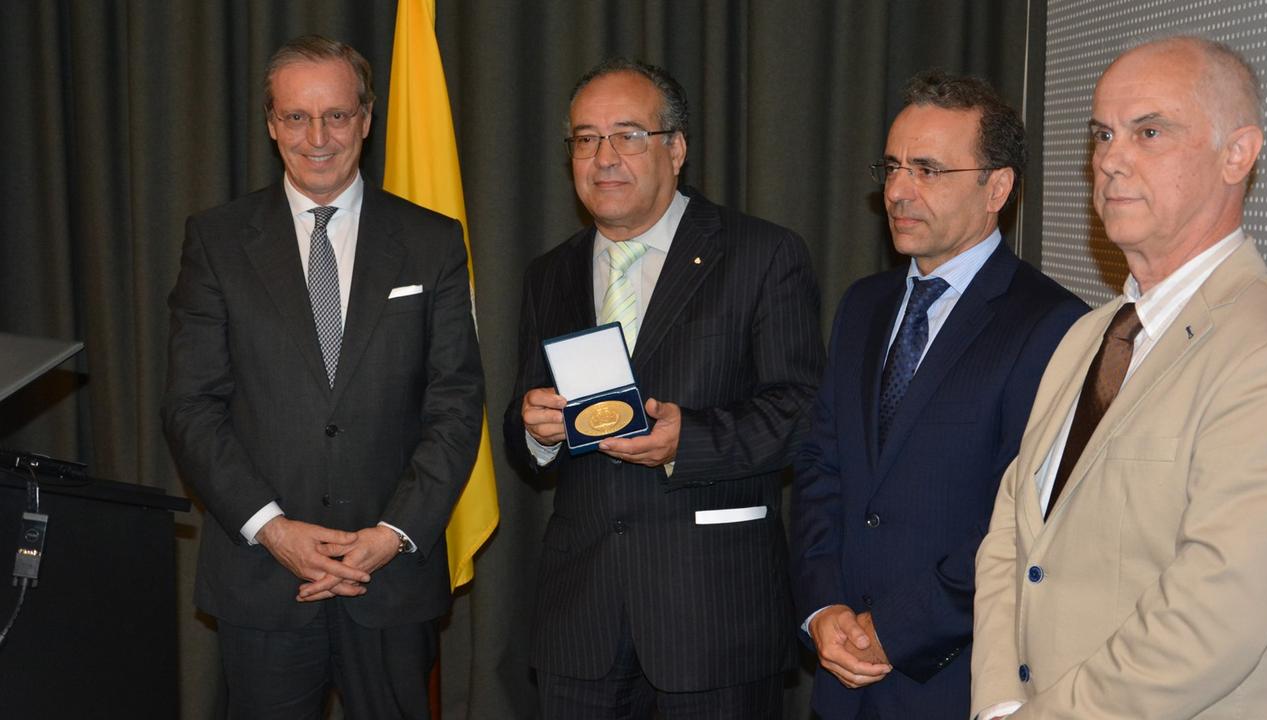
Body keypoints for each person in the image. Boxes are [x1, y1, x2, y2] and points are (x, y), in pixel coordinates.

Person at [161, 35, 484, 718]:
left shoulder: (432, 241)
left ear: (367, 118)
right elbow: (192, 406)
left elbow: (455, 403)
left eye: (336, 115)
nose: (318, 136)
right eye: (297, 117)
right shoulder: (217, 241)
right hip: (262, 578)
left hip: (391, 580)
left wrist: (390, 535)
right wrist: (275, 530)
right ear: (272, 123)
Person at [504, 58, 823, 718]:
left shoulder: (761, 255)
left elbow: (801, 409)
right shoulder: (550, 273)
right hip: (580, 621)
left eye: (627, 135)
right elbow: (522, 417)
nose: (604, 158)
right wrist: (533, 431)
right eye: (586, 139)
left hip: (711, 618)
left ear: (675, 149)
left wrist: (689, 441)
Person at [971, 36, 1267, 719]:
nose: (1109, 159)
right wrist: (996, 701)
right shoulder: (1090, 334)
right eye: (1103, 134)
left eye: (1149, 131)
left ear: (1238, 154)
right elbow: (1012, 535)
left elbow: (1214, 618)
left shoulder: (1264, 351)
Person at [790, 70, 1086, 719]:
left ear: (997, 187)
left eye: (927, 170)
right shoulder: (862, 306)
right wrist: (823, 608)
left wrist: (894, 631)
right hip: (839, 678)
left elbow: (1023, 523)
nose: (897, 190)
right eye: (892, 166)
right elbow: (820, 468)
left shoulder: (1053, 324)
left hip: (951, 684)